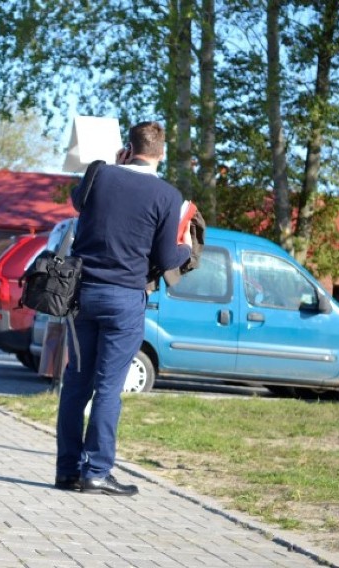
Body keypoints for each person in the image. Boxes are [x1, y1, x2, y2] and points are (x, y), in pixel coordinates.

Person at [55, 121, 193, 496]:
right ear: (161, 154)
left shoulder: (99, 175)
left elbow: (78, 201)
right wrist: (187, 247)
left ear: (128, 148)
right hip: (125, 299)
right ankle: (96, 471)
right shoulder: (167, 195)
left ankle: (67, 471)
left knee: (76, 382)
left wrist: (109, 165)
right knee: (108, 388)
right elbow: (166, 257)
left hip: (81, 294)